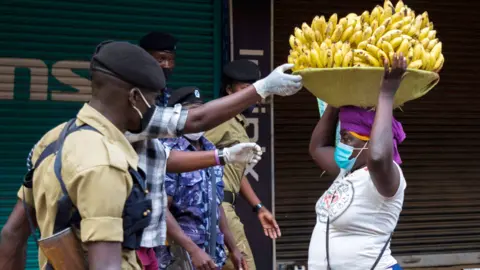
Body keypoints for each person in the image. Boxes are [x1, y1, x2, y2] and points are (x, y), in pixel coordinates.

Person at [0, 43, 303, 268]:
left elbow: (13, 235)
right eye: (154, 99)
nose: (155, 108)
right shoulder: (105, 163)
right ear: (134, 98)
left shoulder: (51, 141)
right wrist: (262, 89)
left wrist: (222, 155)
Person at [307, 54, 408, 270]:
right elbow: (317, 149)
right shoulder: (347, 172)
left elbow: (379, 156)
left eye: (347, 138)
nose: (340, 145)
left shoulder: (386, 177)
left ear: (371, 141)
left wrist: (386, 93)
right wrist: (335, 102)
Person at [157, 87, 249, 270]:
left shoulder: (211, 151)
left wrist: (233, 248)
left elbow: (216, 204)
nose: (197, 119)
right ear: (177, 117)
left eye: (200, 111)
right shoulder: (167, 154)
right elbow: (160, 210)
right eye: (191, 113)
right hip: (178, 260)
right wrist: (193, 251)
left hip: (211, 258)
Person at [205, 59, 282, 270]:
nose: (252, 97)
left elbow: (234, 171)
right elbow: (191, 153)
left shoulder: (236, 121)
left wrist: (258, 207)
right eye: (244, 90)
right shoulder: (221, 119)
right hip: (217, 207)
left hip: (224, 206)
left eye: (254, 90)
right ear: (229, 91)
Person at [139, 31, 177, 106]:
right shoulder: (134, 94)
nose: (167, 65)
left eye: (171, 60)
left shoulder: (173, 97)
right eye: (161, 59)